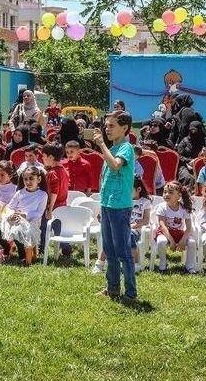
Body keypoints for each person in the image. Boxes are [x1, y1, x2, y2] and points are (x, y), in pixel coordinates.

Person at [90, 110, 138, 302]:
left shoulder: (126, 148)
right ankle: (113, 288)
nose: (107, 129)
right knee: (109, 249)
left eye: (112, 126)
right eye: (106, 125)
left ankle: (131, 293)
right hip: (108, 204)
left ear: (125, 128)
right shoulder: (114, 147)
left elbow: (116, 166)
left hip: (120, 206)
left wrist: (101, 144)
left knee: (123, 252)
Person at [0, 166, 48, 263]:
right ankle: (7, 249)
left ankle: (23, 256)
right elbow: (10, 206)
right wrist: (11, 215)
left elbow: (39, 213)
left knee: (18, 230)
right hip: (15, 219)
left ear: (39, 179)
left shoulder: (42, 195)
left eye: (31, 179)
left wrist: (24, 215)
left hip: (31, 222)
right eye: (25, 179)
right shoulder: (20, 193)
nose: (28, 182)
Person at [153, 180, 196, 273]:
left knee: (192, 242)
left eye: (170, 192)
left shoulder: (184, 208)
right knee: (161, 241)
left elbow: (188, 227)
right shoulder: (162, 207)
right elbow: (162, 225)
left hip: (178, 233)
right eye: (165, 192)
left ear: (179, 195)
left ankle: (190, 266)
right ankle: (163, 262)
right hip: (164, 233)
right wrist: (172, 241)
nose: (166, 194)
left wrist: (183, 240)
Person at [41, 143, 70, 260]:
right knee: (60, 231)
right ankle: (66, 248)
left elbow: (54, 192)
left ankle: (42, 249)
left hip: (54, 207)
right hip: (62, 206)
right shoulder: (64, 169)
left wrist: (49, 209)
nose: (42, 158)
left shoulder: (52, 173)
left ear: (51, 157)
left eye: (44, 156)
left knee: (44, 228)